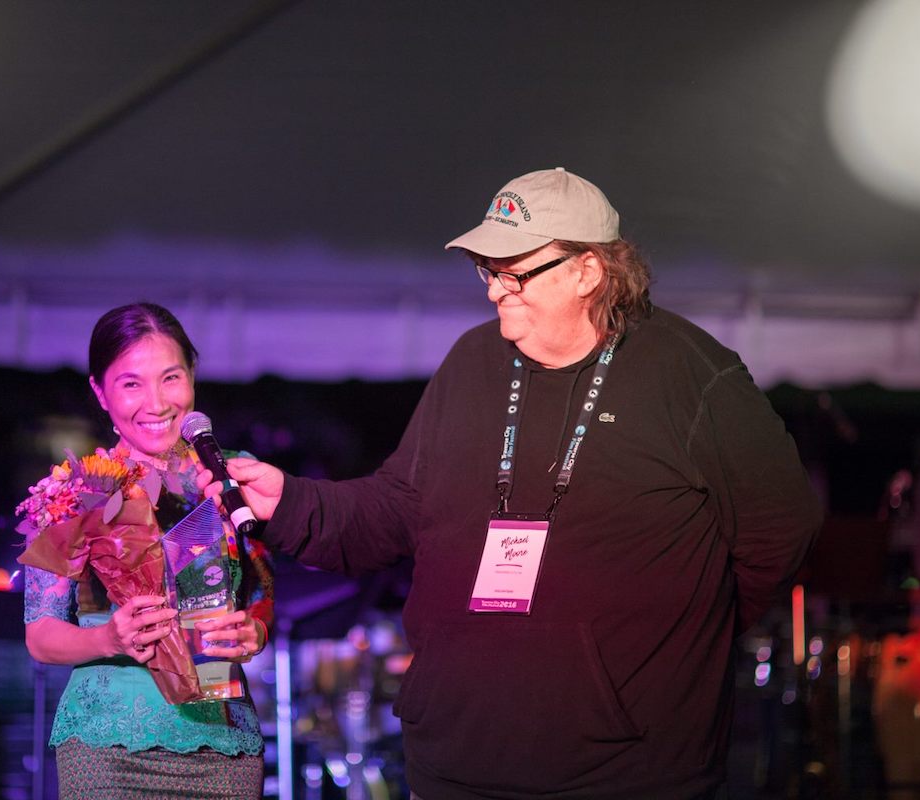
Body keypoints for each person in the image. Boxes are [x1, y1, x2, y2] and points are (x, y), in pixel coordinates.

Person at [199, 169, 822, 799]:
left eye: (515, 271)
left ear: (588, 271)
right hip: (455, 762)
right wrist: (293, 502)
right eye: (487, 270)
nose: (497, 290)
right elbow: (396, 508)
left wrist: (685, 642)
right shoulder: (472, 363)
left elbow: (778, 532)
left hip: (628, 772)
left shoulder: (694, 377)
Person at [20, 302, 274, 800]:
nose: (156, 403)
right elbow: (41, 636)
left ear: (193, 376)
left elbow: (264, 588)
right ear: (99, 391)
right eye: (131, 384)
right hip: (109, 747)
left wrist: (257, 628)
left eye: (171, 378)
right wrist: (109, 638)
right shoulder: (73, 491)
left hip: (223, 742)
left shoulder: (235, 475)